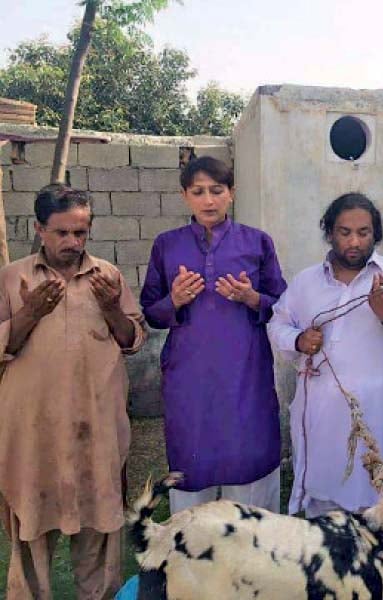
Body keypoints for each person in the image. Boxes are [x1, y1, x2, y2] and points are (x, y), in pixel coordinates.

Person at [267, 192, 383, 600]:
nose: (354, 242)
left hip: (377, 423)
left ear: (375, 234)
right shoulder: (307, 282)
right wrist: (298, 339)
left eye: (363, 232)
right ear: (330, 233)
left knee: (382, 516)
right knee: (325, 518)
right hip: (322, 423)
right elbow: (277, 323)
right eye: (345, 232)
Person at [0, 185, 145, 599]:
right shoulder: (13, 278)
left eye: (80, 233)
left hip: (95, 425)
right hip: (33, 428)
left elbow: (132, 340)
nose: (72, 243)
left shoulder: (108, 277)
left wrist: (113, 307)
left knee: (99, 519)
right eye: (61, 233)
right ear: (39, 229)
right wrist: (30, 313)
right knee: (32, 518)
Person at [140, 156, 286, 513]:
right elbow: (150, 311)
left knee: (248, 455)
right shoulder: (167, 245)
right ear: (184, 196)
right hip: (190, 376)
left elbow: (283, 304)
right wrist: (174, 300)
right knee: (193, 458)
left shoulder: (257, 243)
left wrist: (251, 298)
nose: (209, 200)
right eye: (199, 192)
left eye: (217, 191)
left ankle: (253, 556)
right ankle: (197, 554)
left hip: (245, 373)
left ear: (232, 194)